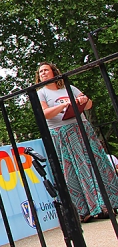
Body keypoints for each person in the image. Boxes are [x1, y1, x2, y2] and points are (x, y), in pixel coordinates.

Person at [36, 62, 118, 223]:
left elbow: (88, 105)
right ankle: (83, 210)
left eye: (46, 70)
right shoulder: (41, 93)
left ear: (54, 72)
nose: (43, 73)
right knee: (72, 170)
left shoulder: (69, 88)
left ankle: (106, 205)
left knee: (96, 164)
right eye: (40, 72)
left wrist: (83, 99)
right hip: (62, 133)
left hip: (81, 129)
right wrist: (66, 105)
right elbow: (45, 114)